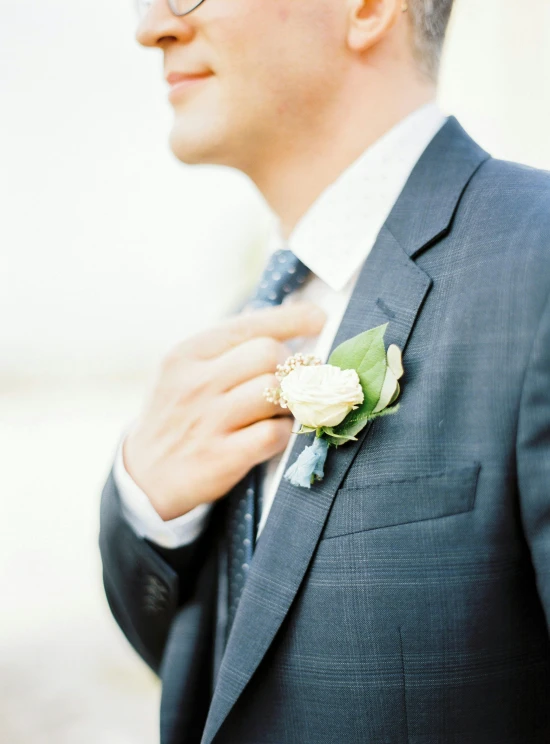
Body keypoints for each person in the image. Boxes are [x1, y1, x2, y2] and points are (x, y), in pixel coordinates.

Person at [99, 0, 550, 741]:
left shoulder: (536, 265)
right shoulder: (238, 325)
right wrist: (143, 500)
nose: (152, 25)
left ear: (368, 8)